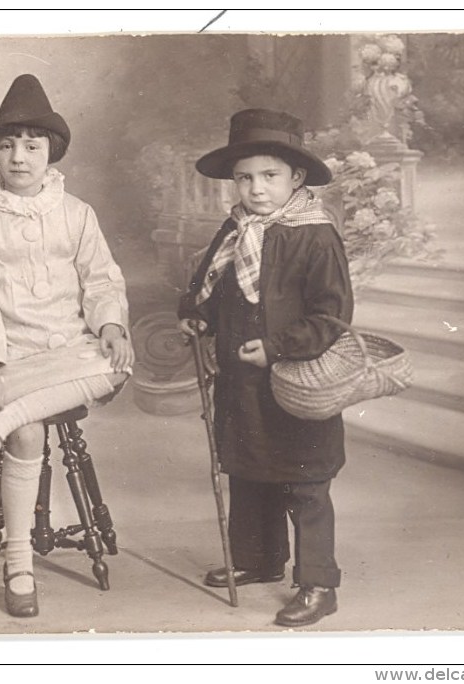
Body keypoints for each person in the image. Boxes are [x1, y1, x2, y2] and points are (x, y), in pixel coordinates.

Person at [0, 74, 134, 618]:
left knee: (119, 364)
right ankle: (19, 563)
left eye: (32, 145)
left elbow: (100, 279)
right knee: (29, 433)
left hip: (72, 350)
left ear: (51, 152)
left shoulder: (76, 213)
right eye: (6, 145)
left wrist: (110, 326)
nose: (19, 157)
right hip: (10, 358)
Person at [177, 108, 353, 627]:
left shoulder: (314, 235)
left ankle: (318, 582)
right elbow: (205, 286)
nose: (255, 189)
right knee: (250, 470)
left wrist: (277, 347)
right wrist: (194, 316)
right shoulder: (235, 230)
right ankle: (259, 558)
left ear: (296, 178)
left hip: (296, 378)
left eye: (269, 176)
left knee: (304, 480)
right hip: (240, 376)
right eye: (244, 177)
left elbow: (332, 314)